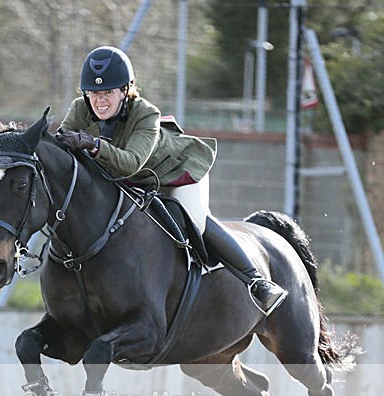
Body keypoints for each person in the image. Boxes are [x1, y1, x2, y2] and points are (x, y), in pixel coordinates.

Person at [57, 45, 287, 315]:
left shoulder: (146, 114)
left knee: (195, 218)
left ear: (124, 90)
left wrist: (93, 144)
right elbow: (62, 149)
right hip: (122, 180)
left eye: (108, 92)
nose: (100, 101)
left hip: (172, 174)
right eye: (94, 93)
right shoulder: (79, 109)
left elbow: (131, 163)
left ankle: (256, 282)